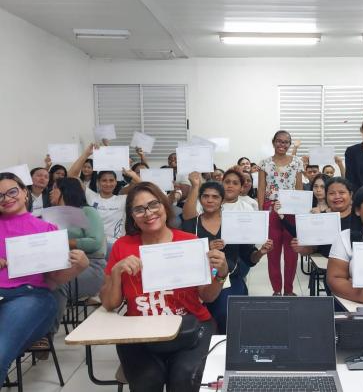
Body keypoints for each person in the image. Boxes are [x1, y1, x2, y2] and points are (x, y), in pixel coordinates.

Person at [100, 182, 227, 392]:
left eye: (153, 205)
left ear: (164, 206)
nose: (148, 213)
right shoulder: (123, 246)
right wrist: (116, 272)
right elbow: (110, 304)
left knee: (184, 378)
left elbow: (208, 296)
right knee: (148, 380)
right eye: (139, 209)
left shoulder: (189, 242)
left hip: (190, 329)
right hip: (140, 334)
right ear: (132, 215)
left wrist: (221, 273)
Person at [0, 172, 89, 385]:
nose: (6, 198)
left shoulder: (46, 230)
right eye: (0, 195)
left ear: (25, 193)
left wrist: (80, 267)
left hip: (30, 297)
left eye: (12, 191)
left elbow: (55, 278)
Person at [181, 180, 272, 333]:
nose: (210, 200)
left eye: (215, 197)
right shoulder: (190, 225)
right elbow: (183, 257)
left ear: (222, 200)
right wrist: (206, 248)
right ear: (200, 199)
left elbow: (249, 258)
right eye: (205, 196)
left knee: (225, 313)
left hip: (228, 279)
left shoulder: (234, 223)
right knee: (190, 319)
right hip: (197, 280)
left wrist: (260, 252)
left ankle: (224, 348)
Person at [49, 177, 106, 331]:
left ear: (65, 191)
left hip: (90, 266)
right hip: (60, 264)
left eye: (54, 188)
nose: (50, 191)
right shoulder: (51, 215)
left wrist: (59, 241)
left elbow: (94, 242)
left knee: (57, 283)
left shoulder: (86, 211)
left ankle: (47, 335)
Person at [258, 130, 304, 296]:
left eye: (286, 142)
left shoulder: (297, 162)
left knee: (292, 253)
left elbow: (299, 188)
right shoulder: (264, 163)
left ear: (289, 144)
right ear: (273, 142)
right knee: (273, 251)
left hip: (292, 209)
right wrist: (261, 211)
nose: (282, 144)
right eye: (279, 141)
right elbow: (261, 188)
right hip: (271, 209)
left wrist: (300, 210)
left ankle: (289, 290)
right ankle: (277, 290)